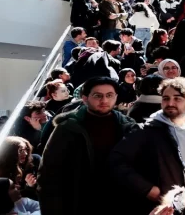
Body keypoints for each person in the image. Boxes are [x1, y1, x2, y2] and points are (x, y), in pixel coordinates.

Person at [111, 77, 185, 214]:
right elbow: (116, 161)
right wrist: (147, 189)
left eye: (177, 98)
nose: (170, 103)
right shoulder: (146, 130)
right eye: (166, 98)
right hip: (164, 207)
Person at [38, 77, 136, 215]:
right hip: (79, 202)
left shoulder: (128, 126)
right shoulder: (67, 128)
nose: (104, 100)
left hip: (119, 201)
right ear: (85, 98)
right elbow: (49, 174)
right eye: (98, 96)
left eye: (109, 95)